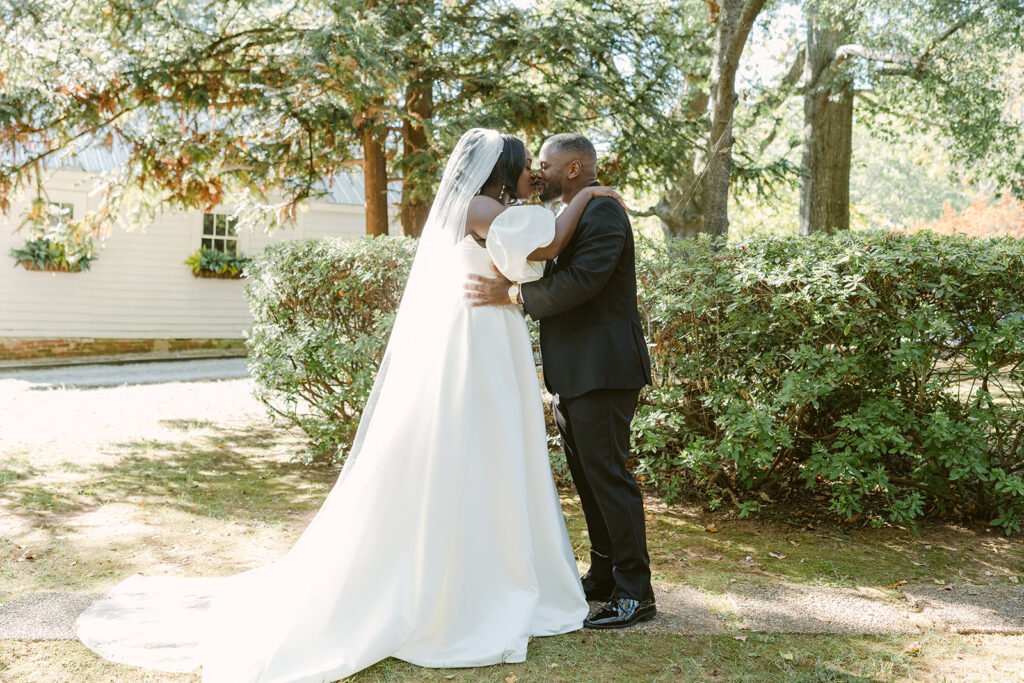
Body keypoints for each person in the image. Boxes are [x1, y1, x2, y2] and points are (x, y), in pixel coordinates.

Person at [75, 129, 622, 682]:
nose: (533, 169)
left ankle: (503, 566)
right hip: (475, 339)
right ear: (501, 166)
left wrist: (556, 206)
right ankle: (470, 580)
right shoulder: (480, 205)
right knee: (474, 444)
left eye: (540, 163)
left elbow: (531, 246)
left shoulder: (497, 205)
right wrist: (586, 196)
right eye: (524, 162)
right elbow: (549, 245)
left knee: (496, 450)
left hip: (493, 332)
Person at [464, 133, 655, 629]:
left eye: (545, 164)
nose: (538, 171)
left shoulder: (604, 212)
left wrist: (511, 297)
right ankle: (606, 574)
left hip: (605, 369)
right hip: (573, 370)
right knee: (590, 478)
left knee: (609, 476)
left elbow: (583, 281)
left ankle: (637, 591)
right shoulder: (565, 215)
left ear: (573, 169)